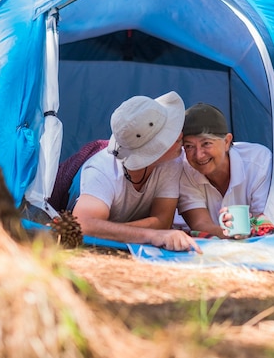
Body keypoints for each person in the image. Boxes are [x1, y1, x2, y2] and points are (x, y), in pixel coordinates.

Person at [68, 91, 202, 253]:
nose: (180, 135)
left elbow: (163, 221)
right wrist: (150, 235)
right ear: (153, 151)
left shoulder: (171, 162)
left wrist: (108, 229)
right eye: (171, 135)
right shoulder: (101, 169)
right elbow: (84, 224)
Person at [178, 102, 274, 238]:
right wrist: (231, 234)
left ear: (227, 142)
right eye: (189, 146)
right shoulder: (184, 167)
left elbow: (264, 218)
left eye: (206, 143)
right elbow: (200, 224)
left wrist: (246, 228)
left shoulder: (258, 162)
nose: (198, 155)